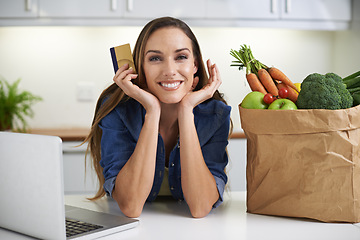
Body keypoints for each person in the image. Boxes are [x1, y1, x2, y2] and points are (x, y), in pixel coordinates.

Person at [84, 16, 232, 218]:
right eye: (155, 58)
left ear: (195, 65)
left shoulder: (215, 114)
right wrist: (152, 110)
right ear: (140, 67)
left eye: (181, 57)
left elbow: (200, 207)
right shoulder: (117, 110)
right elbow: (130, 205)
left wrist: (186, 109)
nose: (170, 71)